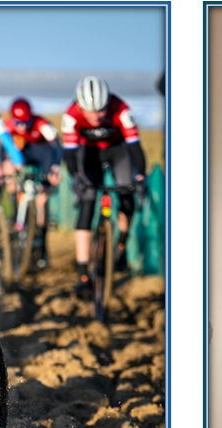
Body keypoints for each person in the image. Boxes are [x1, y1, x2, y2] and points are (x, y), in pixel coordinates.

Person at [62, 76, 146, 295]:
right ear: (79, 105)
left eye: (100, 111)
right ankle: (82, 272)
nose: (96, 117)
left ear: (108, 103)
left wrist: (141, 177)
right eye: (90, 112)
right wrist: (76, 177)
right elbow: (70, 153)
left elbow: (135, 146)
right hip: (89, 155)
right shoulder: (71, 115)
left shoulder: (121, 110)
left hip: (118, 152)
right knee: (88, 202)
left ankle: (121, 244)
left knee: (127, 195)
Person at [1, 96, 62, 268]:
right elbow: (3, 148)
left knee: (42, 200)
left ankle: (42, 246)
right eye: (18, 122)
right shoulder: (9, 125)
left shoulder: (42, 124)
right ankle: (14, 215)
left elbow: (56, 148)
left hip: (44, 154)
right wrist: (5, 163)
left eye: (25, 122)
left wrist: (54, 168)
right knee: (11, 177)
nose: (21, 126)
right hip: (25, 153)